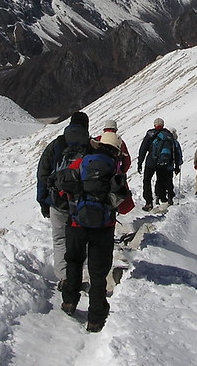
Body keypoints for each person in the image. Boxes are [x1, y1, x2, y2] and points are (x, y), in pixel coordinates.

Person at [58, 132, 133, 333]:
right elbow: (126, 207)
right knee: (98, 274)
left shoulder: (83, 163)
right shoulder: (115, 170)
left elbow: (62, 188)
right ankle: (95, 319)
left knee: (74, 261)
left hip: (76, 225)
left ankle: (69, 302)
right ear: (117, 152)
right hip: (103, 228)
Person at [36, 111, 92, 290]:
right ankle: (81, 275)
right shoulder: (90, 146)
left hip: (57, 200)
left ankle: (64, 278)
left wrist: (43, 201)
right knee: (82, 239)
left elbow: (43, 175)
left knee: (60, 239)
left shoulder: (56, 145)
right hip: (81, 202)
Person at [137, 118, 180, 210]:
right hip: (164, 163)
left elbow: (143, 149)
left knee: (147, 181)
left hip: (151, 163)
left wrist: (140, 162)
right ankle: (163, 201)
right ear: (163, 125)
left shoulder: (150, 134)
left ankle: (149, 202)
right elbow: (174, 151)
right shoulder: (168, 135)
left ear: (154, 125)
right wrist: (177, 165)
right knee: (161, 181)